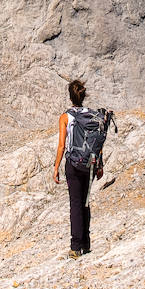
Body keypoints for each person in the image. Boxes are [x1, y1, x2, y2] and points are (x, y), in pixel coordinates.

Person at [53, 78, 100, 258]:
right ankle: (86, 243)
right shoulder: (91, 115)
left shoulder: (66, 117)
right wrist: (99, 164)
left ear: (70, 96)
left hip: (73, 164)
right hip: (89, 164)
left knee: (75, 204)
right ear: (83, 95)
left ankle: (75, 246)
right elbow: (97, 140)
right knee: (85, 202)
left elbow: (61, 146)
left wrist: (56, 167)